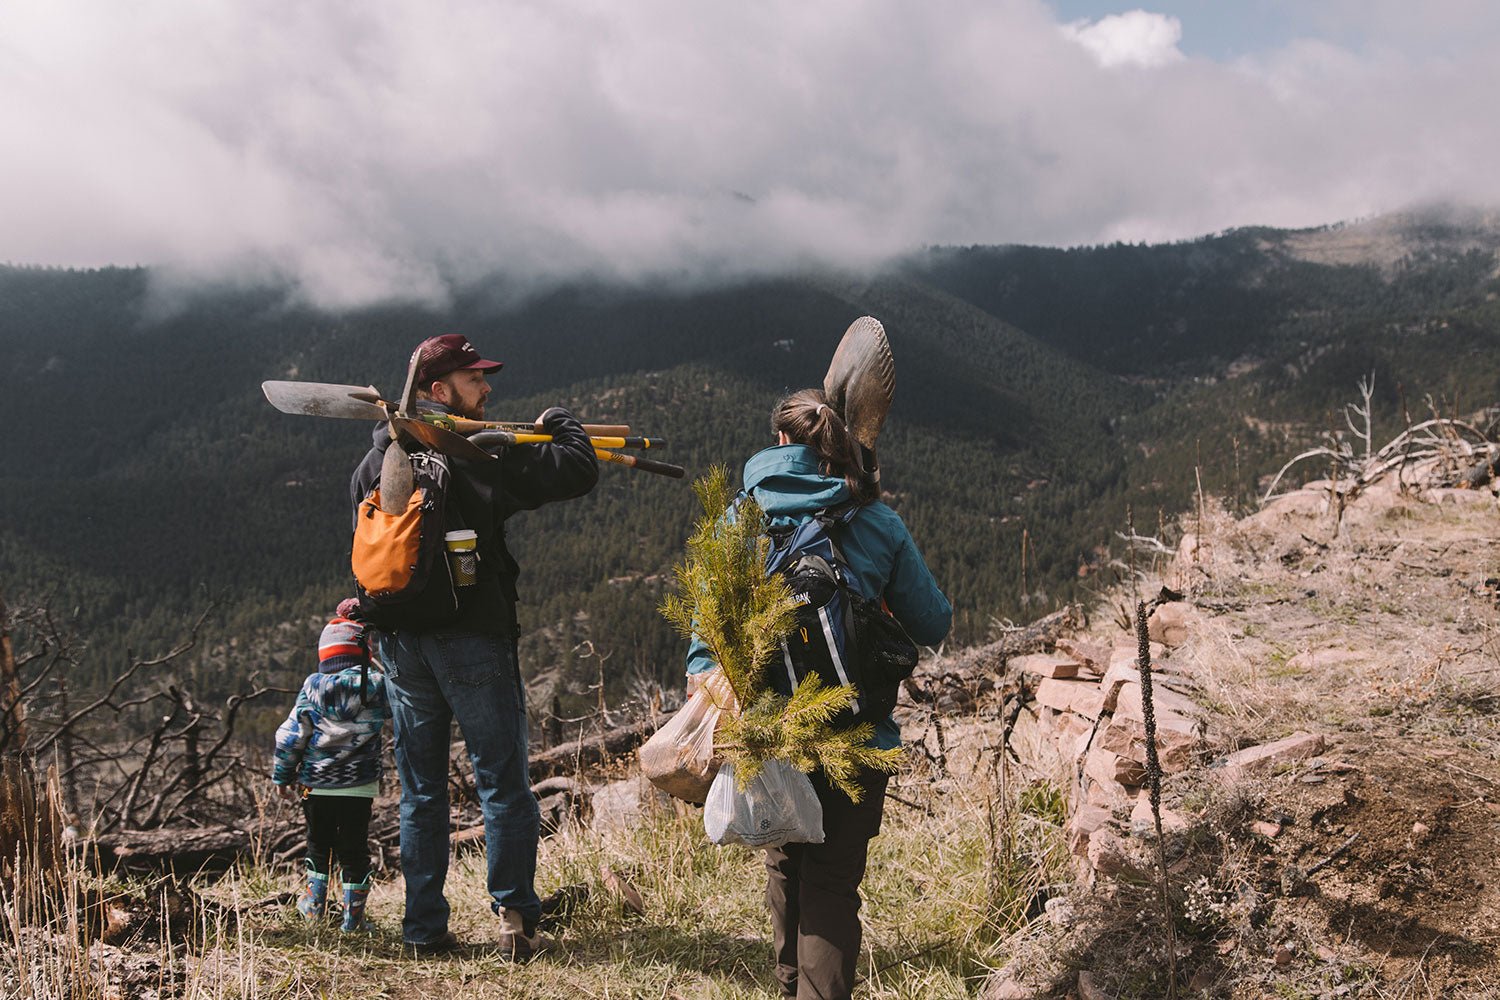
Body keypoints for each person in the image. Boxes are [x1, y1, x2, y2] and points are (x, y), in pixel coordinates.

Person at [686, 387, 951, 1000]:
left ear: (779, 441)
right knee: (832, 883)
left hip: (770, 735)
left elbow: (705, 641)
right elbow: (934, 622)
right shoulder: (874, 520)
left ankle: (789, 985)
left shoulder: (738, 522)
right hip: (857, 737)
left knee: (785, 859)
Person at [350, 334, 598, 958]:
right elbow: (576, 468)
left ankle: (423, 930)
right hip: (473, 640)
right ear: (438, 391)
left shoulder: (373, 463)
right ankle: (516, 924)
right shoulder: (475, 453)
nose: (486, 388)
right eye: (473, 379)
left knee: (421, 792)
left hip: (401, 644)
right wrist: (560, 422)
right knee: (502, 783)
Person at [272, 605, 391, 932]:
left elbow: (290, 736)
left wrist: (283, 775)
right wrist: (373, 661)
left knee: (318, 845)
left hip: (316, 785)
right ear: (364, 655)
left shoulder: (311, 689)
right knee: (354, 850)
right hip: (359, 787)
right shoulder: (378, 687)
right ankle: (354, 920)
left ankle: (314, 908)